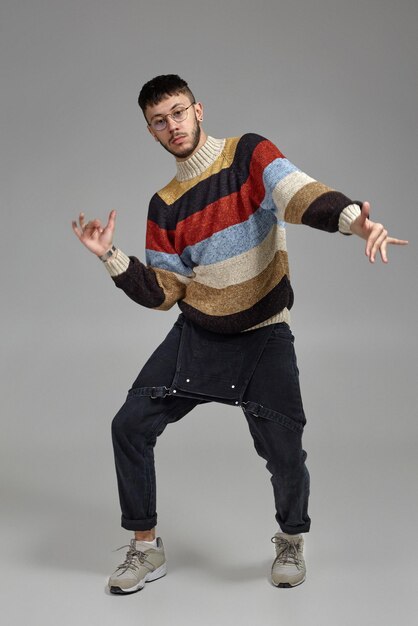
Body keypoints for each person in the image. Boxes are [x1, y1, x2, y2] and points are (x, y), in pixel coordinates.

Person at [72, 74, 407, 594]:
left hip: (265, 332)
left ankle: (291, 536)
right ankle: (145, 546)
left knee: (284, 452)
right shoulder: (163, 204)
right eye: (159, 121)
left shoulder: (248, 154)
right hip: (199, 333)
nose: (172, 125)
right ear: (150, 131)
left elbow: (297, 193)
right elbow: (166, 292)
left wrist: (355, 221)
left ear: (198, 109)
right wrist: (111, 258)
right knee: (129, 426)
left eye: (179, 112)